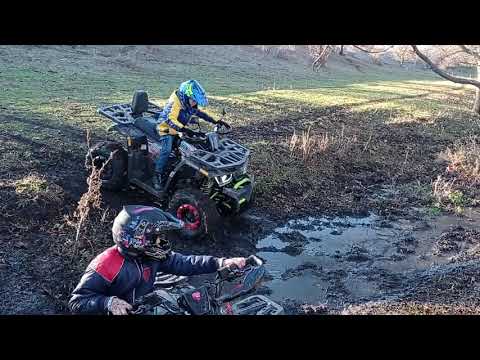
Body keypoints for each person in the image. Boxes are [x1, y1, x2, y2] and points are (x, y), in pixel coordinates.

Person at [69, 205, 245, 315]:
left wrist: (221, 262)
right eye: (155, 237)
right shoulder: (105, 264)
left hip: (144, 306)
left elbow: (183, 263)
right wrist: (108, 303)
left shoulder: (152, 255)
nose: (161, 241)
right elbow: (77, 302)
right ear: (136, 239)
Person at [151, 79, 230, 189]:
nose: (195, 103)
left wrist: (215, 121)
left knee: (192, 147)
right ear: (186, 96)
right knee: (167, 149)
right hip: (165, 129)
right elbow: (170, 120)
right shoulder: (175, 101)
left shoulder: (189, 104)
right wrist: (185, 130)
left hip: (178, 129)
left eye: (196, 101)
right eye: (193, 100)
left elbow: (199, 113)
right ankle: (157, 174)